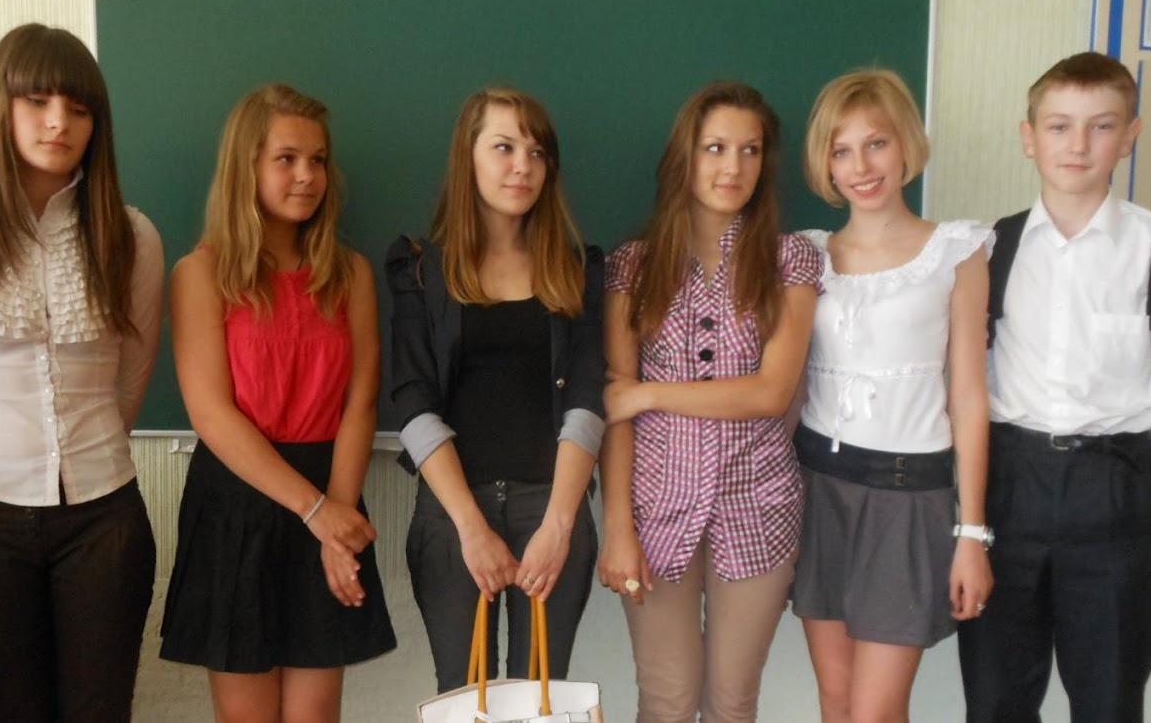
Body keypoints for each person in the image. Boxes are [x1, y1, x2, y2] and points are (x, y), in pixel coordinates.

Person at [0, 23, 164, 722]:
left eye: (78, 108)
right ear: (0, 107)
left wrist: (92, 457)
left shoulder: (131, 234)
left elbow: (130, 379)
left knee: (99, 712)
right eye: (37, 101)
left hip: (104, 516)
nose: (58, 122)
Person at [957, 51, 1151, 722]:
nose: (1078, 145)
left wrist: (1118, 462)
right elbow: (971, 377)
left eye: (1101, 126)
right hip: (1009, 488)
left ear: (1130, 136)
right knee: (995, 699)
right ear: (1029, 137)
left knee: (1109, 700)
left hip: (1116, 493)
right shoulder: (990, 248)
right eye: (1059, 126)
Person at [159, 83, 395, 722]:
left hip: (334, 489)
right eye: (286, 159)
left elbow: (361, 401)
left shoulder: (349, 273)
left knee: (315, 716)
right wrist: (314, 511)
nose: (307, 175)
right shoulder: (200, 274)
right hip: (237, 500)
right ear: (247, 167)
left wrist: (336, 522)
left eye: (318, 160)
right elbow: (211, 414)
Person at [599, 82, 822, 723]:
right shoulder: (632, 266)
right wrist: (617, 528)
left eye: (751, 150)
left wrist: (649, 393)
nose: (733, 167)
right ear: (685, 157)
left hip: (759, 506)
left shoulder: (790, 260)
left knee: (731, 701)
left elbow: (770, 392)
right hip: (654, 510)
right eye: (715, 148)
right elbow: (614, 414)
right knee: (666, 698)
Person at [386, 87, 604, 693]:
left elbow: (589, 397)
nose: (522, 167)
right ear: (469, 156)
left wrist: (559, 526)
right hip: (454, 512)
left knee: (540, 694)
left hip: (551, 506)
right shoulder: (421, 270)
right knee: (464, 693)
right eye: (504, 147)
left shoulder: (577, 269)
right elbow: (412, 400)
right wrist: (471, 528)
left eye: (537, 153)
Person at [791, 68, 993, 722]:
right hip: (819, 488)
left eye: (876, 143)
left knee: (875, 711)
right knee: (837, 700)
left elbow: (969, 397)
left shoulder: (956, 251)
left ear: (905, 142)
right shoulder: (806, 255)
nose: (861, 167)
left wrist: (971, 534)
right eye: (842, 150)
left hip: (908, 495)